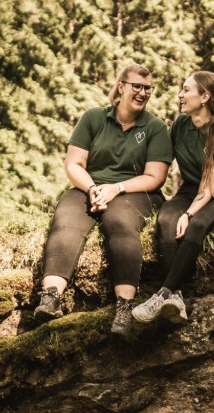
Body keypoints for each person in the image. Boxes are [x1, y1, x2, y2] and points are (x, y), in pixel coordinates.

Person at [34, 63, 171, 336]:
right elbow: (74, 163)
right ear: (122, 87)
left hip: (136, 191)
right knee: (66, 222)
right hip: (90, 186)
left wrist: (116, 188)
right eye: (137, 87)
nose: (143, 93)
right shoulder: (94, 118)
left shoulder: (155, 127)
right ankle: (50, 296)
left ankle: (124, 307)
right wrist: (93, 189)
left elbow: (155, 176)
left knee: (120, 223)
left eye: (148, 88)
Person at [133, 70, 214, 326]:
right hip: (190, 189)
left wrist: (189, 214)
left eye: (186, 90)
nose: (180, 95)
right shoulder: (180, 124)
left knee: (196, 226)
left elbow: (210, 187)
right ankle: (176, 299)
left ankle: (163, 294)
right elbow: (161, 160)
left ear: (204, 96)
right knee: (167, 219)